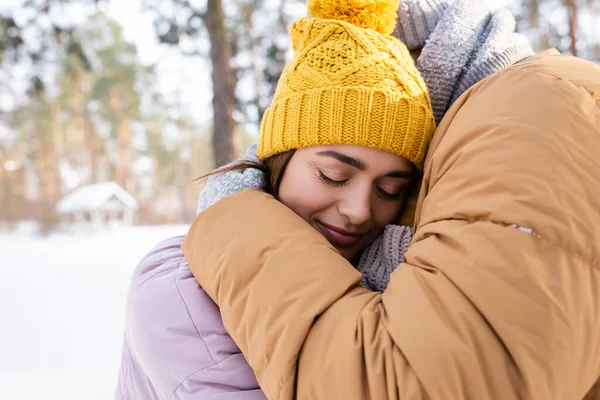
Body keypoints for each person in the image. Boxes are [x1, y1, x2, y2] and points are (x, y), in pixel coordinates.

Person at [115, 0, 537, 397]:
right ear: (279, 158)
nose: (359, 211)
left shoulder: (399, 280)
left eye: (390, 189)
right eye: (333, 176)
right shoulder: (179, 291)